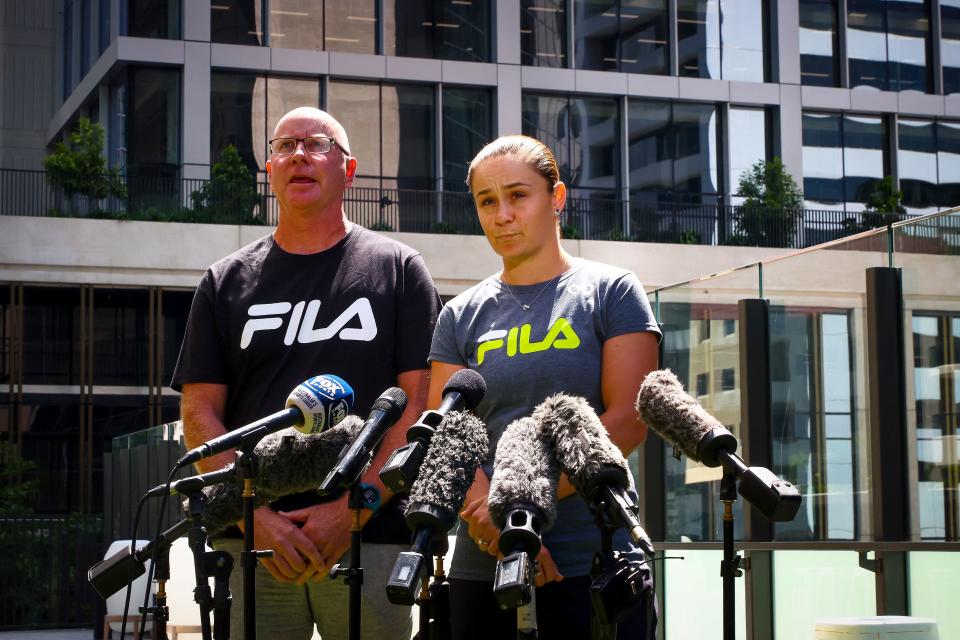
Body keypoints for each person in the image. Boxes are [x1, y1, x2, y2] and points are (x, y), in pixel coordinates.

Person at [171, 106, 441, 640]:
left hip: (372, 536)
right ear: (269, 168)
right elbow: (199, 412)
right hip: (252, 544)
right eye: (284, 145)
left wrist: (351, 512)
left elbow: (420, 405)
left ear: (349, 168)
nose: (298, 154)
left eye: (317, 144)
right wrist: (255, 517)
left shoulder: (399, 269)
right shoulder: (224, 282)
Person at [428, 135, 661, 638]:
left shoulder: (612, 291)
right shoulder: (458, 315)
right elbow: (444, 438)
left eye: (518, 195)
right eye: (487, 201)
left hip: (594, 560)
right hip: (482, 561)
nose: (503, 214)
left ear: (557, 198)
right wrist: (498, 525)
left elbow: (627, 421)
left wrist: (522, 515)